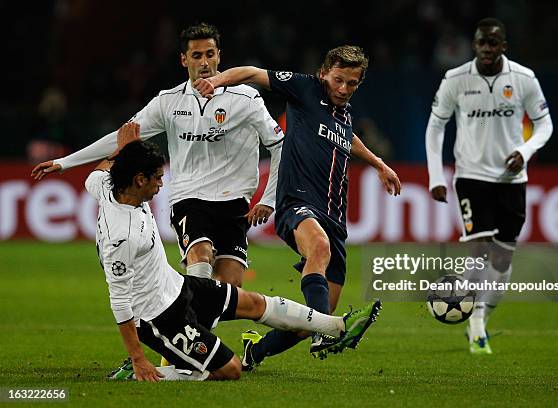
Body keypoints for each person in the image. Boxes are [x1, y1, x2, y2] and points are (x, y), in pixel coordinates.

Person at [78, 122, 380, 382]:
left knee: (254, 303)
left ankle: (338, 327)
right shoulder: (123, 237)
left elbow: (94, 174)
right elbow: (119, 303)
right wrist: (137, 358)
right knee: (230, 369)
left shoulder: (109, 187)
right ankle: (136, 372)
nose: (161, 183)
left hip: (178, 287)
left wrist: (125, 151)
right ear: (139, 180)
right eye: (156, 178)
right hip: (159, 316)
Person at [193, 45, 401, 366]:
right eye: (338, 80)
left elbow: (348, 138)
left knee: (318, 312)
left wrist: (378, 164)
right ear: (323, 74)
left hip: (334, 216)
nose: (343, 89)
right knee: (318, 249)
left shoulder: (343, 115)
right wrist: (217, 80)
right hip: (297, 201)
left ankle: (255, 352)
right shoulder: (305, 88)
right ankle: (325, 331)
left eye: (352, 83)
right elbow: (251, 73)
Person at [31, 22, 283, 287]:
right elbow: (121, 136)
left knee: (230, 288)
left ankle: (191, 323)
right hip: (189, 197)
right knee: (201, 258)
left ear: (219, 56)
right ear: (183, 59)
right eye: (197, 55)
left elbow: (279, 144)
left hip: (235, 202)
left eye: (210, 54)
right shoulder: (169, 101)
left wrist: (269, 198)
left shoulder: (246, 98)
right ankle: (188, 326)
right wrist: (64, 163)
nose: (205, 62)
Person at [425, 18, 553, 354]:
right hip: (470, 176)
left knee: (503, 258)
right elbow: (436, 127)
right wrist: (436, 176)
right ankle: (475, 321)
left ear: (503, 47)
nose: (486, 49)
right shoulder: (456, 79)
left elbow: (544, 124)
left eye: (493, 44)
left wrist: (525, 152)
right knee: (480, 248)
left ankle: (478, 311)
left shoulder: (524, 79)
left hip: (511, 180)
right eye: (481, 43)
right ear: (474, 45)